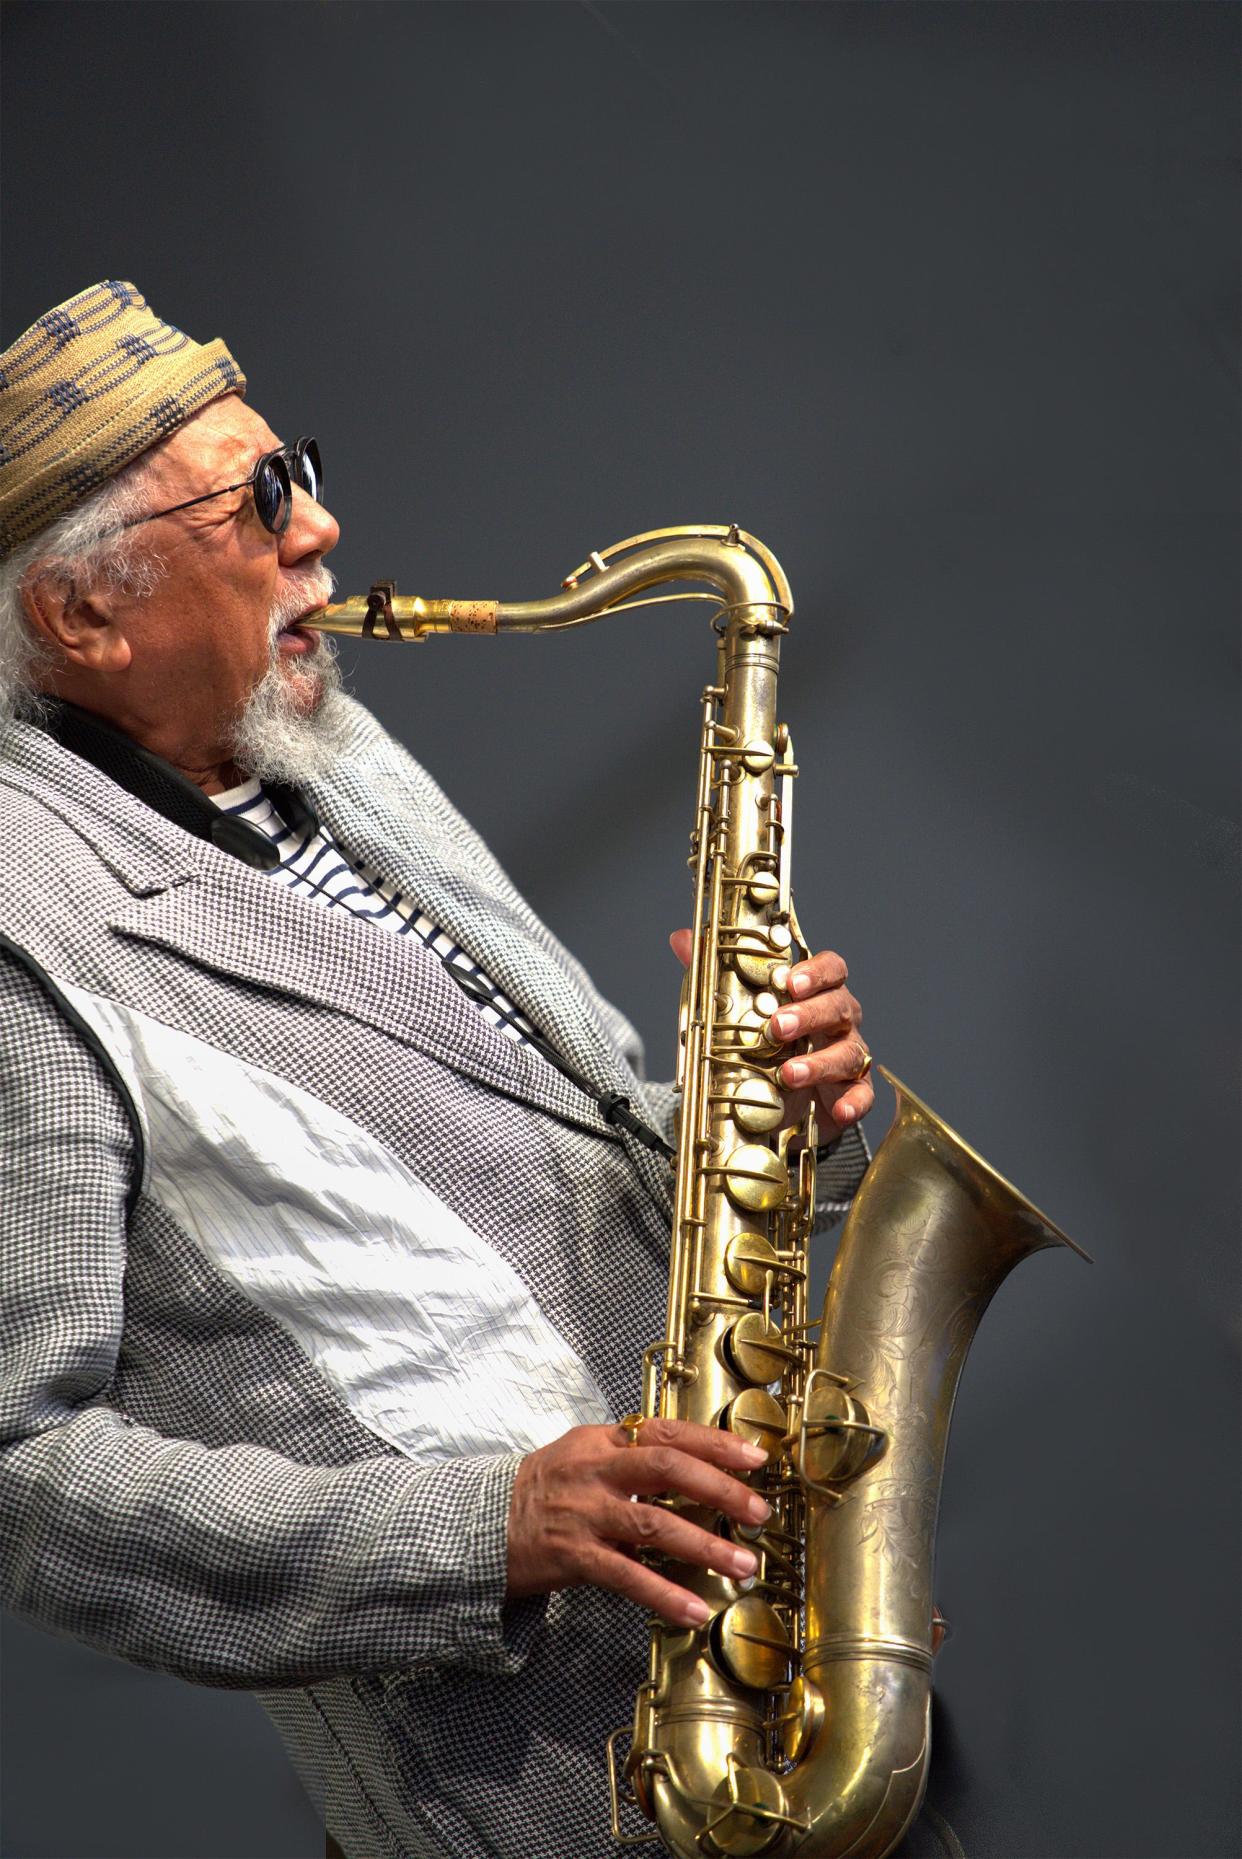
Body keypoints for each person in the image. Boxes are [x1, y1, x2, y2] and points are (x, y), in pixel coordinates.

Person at [0, 283, 874, 1859]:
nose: (322, 525)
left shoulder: (327, 754)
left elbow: (570, 1150)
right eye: (259, 498)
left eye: (299, 466)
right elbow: (19, 1475)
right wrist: (483, 1531)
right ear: (86, 617)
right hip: (524, 1795)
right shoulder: (18, 932)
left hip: (779, 1676)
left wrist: (770, 1119)